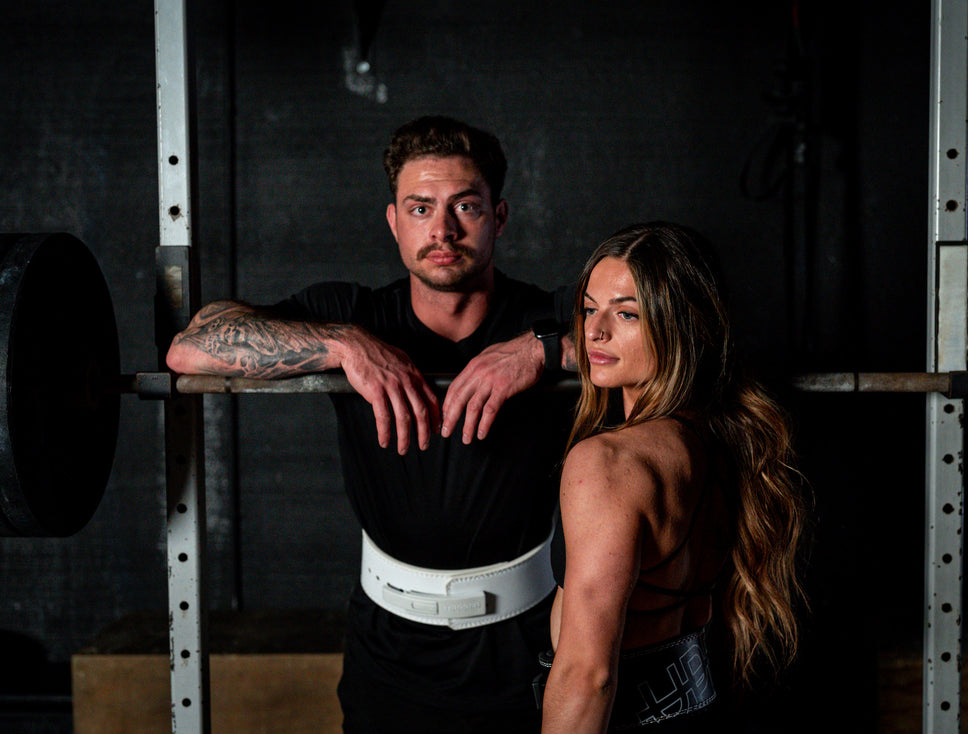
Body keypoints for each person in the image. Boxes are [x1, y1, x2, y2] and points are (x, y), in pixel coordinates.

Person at [165, 116, 577, 734]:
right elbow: (189, 349)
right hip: (386, 652)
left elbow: (679, 336)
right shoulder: (353, 313)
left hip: (526, 645)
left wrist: (545, 349)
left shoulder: (548, 315)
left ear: (500, 217)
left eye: (465, 205)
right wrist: (343, 343)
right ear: (393, 222)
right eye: (419, 208)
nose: (442, 229)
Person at [538, 222, 808, 733]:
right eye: (590, 308)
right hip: (699, 708)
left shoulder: (608, 464)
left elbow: (588, 674)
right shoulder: (723, 440)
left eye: (626, 314)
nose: (595, 331)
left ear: (680, 326)